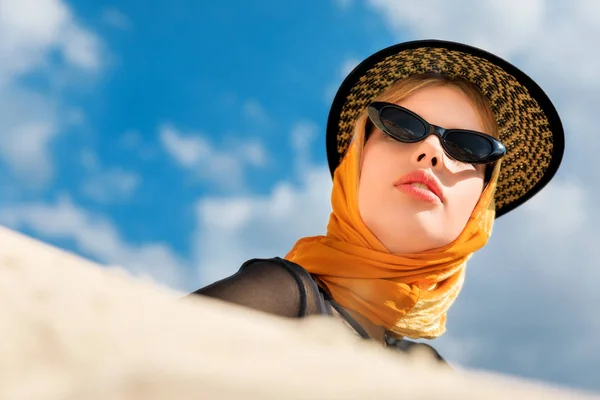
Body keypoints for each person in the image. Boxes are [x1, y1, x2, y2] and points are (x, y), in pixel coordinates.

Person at [189, 40, 564, 363]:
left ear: (482, 203)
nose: (431, 151)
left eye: (468, 147)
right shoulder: (281, 297)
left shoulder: (430, 370)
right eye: (401, 124)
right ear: (357, 160)